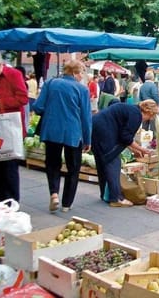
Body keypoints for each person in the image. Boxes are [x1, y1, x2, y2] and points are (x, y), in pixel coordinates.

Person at [32, 59, 92, 212]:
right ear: (75, 72)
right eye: (81, 73)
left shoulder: (50, 83)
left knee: (52, 164)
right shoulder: (82, 89)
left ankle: (54, 193)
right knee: (73, 168)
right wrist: (87, 139)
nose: (82, 76)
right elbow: (86, 117)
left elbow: (38, 107)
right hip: (73, 132)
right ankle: (66, 204)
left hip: (51, 130)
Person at [92, 100, 158, 207]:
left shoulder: (131, 109)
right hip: (104, 132)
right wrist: (142, 149)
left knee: (102, 161)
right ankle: (116, 198)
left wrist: (134, 149)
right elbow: (126, 137)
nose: (150, 119)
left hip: (95, 127)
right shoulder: (136, 116)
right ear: (149, 112)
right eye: (151, 116)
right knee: (113, 161)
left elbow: (123, 135)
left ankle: (105, 195)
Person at [0, 49, 28, 203]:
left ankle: (11, 200)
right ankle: (0, 197)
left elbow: (22, 98)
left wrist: (0, 102)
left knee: (8, 165)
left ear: (0, 64)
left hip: (8, 127)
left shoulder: (14, 75)